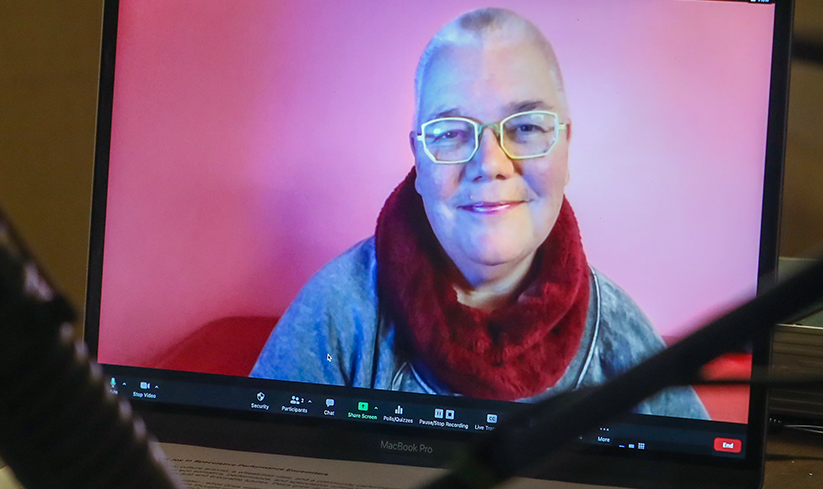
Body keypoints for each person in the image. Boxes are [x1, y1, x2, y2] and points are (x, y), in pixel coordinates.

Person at [251, 8, 707, 419]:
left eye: (526, 127)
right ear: (420, 160)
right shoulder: (336, 314)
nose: (489, 163)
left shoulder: (623, 338)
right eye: (451, 133)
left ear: (566, 148)